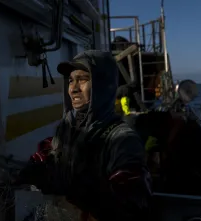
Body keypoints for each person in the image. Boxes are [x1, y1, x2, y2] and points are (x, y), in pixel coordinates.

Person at [18, 50, 152, 221]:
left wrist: (79, 190)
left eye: (82, 80)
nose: (73, 89)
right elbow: (51, 151)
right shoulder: (66, 129)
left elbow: (132, 200)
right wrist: (36, 166)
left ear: (103, 84)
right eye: (71, 81)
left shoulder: (122, 139)